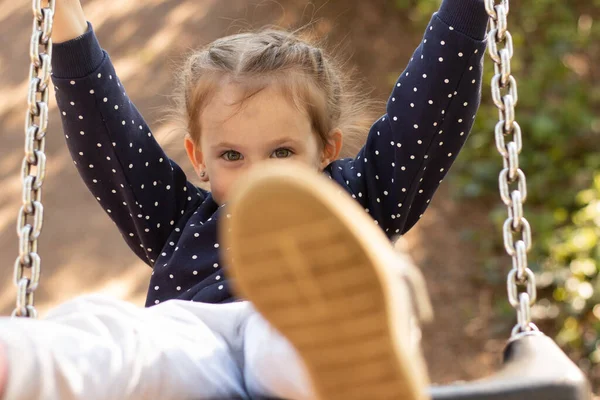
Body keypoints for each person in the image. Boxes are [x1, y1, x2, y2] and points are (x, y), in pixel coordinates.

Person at [0, 0, 489, 398]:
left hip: (300, 320)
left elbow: (426, 111)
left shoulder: (358, 197)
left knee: (290, 342)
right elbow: (108, 136)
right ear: (199, 158)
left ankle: (353, 366)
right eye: (232, 154)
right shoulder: (177, 219)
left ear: (328, 149)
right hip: (196, 344)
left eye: (282, 152)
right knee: (113, 335)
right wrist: (61, 13)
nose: (257, 176)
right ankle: (16, 361)